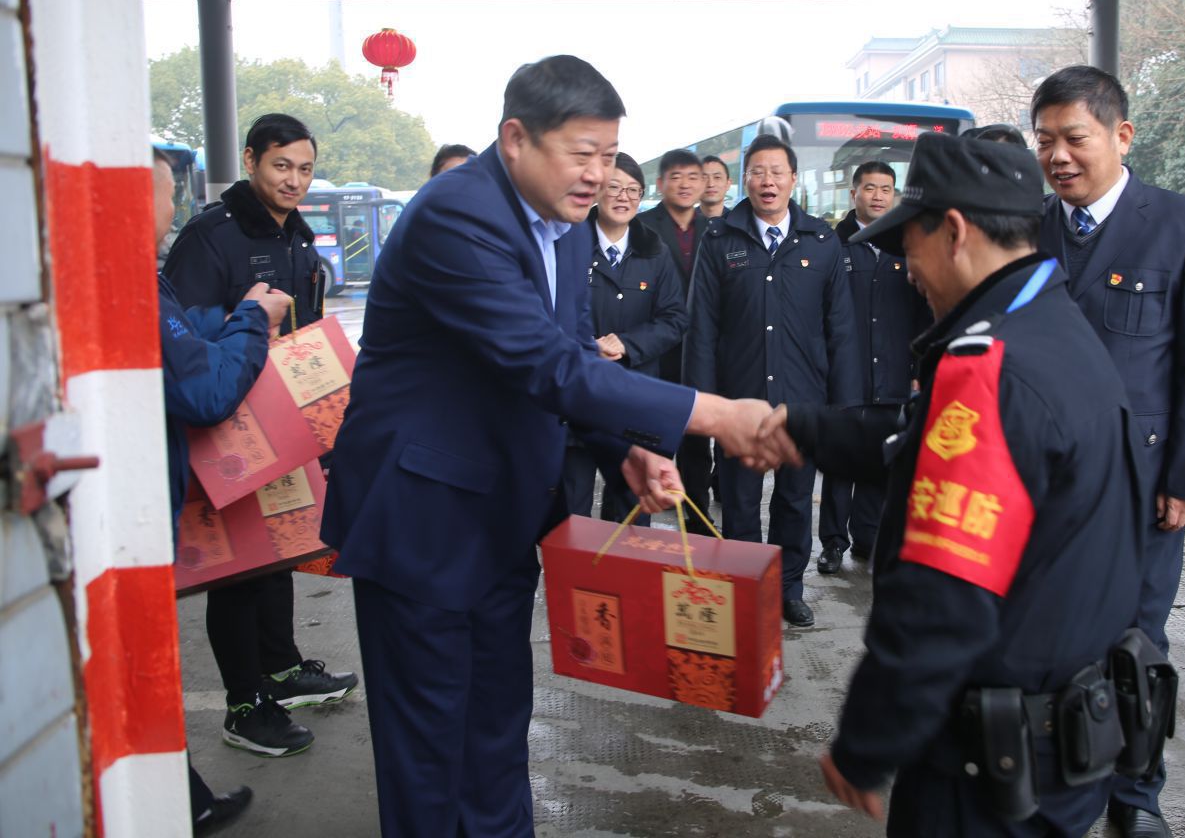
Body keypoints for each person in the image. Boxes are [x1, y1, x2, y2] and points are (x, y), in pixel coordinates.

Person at [319, 55, 770, 837]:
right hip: (423, 520)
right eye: (582, 152)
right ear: (516, 138)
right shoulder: (457, 216)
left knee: (498, 723)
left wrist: (622, 448)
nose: (599, 174)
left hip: (504, 511)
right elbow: (543, 364)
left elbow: (570, 352)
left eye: (610, 154)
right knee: (429, 746)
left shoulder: (563, 223)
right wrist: (710, 412)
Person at [752, 131, 1149, 836]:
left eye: (911, 247)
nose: (909, 271)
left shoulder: (988, 368)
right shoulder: (1050, 327)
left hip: (987, 772)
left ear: (957, 232)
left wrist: (867, 742)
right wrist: (803, 428)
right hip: (1064, 741)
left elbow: (941, 598)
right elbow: (923, 437)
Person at [1032, 66, 1185, 838]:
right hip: (1045, 483)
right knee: (1050, 636)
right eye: (1044, 140)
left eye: (1074, 138)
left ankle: (1136, 794)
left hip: (1143, 485)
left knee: (1137, 643)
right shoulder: (1029, 229)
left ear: (1121, 135)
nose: (1058, 156)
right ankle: (1056, 776)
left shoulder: (1184, 227)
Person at [162, 113, 358, 757]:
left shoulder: (298, 236)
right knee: (239, 568)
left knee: (280, 548)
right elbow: (185, 338)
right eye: (281, 166)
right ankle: (244, 705)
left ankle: (280, 667)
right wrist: (244, 320)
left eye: (304, 168)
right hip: (230, 424)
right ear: (250, 161)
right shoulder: (211, 236)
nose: (293, 180)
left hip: (285, 420)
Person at [152, 149, 287, 833]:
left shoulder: (144, 276)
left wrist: (237, 317)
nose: (171, 207)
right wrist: (252, 321)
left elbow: (185, 333)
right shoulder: (193, 246)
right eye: (162, 193)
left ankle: (185, 796)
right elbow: (203, 388)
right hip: (145, 499)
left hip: (154, 488)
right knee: (138, 657)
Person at [685, 133, 859, 627]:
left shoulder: (821, 241)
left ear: (793, 179)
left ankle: (788, 588)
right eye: (758, 172)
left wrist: (844, 407)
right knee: (739, 502)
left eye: (777, 172)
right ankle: (747, 592)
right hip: (739, 400)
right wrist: (703, 408)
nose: (768, 181)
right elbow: (702, 329)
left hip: (805, 399)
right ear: (746, 180)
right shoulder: (720, 240)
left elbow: (841, 327)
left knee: (795, 500)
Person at [561, 152, 688, 524]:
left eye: (633, 190)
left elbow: (675, 318)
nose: (623, 197)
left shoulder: (655, 251)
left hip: (634, 397)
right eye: (614, 187)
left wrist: (628, 344)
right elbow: (551, 312)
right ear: (597, 191)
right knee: (572, 513)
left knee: (633, 515)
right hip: (579, 394)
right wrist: (588, 346)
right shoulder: (568, 243)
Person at [817, 160, 928, 576]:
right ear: (854, 194)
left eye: (885, 189)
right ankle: (833, 542)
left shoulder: (907, 244)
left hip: (893, 370)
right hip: (844, 372)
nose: (878, 196)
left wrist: (917, 365)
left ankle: (868, 537)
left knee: (880, 458)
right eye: (869, 188)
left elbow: (922, 312)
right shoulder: (833, 244)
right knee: (840, 457)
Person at [637, 149, 714, 532]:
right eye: (676, 177)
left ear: (703, 183)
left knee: (697, 444)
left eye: (692, 177)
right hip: (654, 353)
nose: (685, 184)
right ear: (661, 183)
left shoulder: (716, 230)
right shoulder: (641, 227)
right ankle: (636, 528)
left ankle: (698, 520)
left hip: (698, 353)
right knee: (647, 441)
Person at [700, 154, 731, 218]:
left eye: (717, 177)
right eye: (704, 178)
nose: (711, 184)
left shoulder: (739, 222)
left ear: (728, 184)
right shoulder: (684, 221)